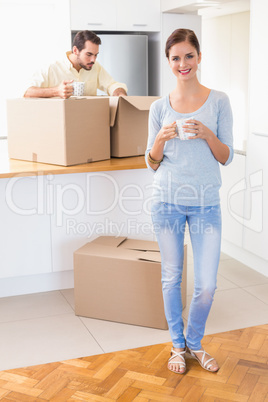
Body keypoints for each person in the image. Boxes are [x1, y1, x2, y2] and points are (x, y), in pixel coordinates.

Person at [145, 29, 233, 374]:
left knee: (207, 284)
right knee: (171, 278)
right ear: (169, 62)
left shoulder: (219, 101)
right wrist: (161, 140)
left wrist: (207, 133)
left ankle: (195, 342)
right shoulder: (157, 107)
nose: (183, 64)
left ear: (198, 57)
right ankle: (178, 346)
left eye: (189, 56)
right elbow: (151, 163)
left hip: (206, 203)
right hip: (166, 200)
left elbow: (225, 157)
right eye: (176, 58)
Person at [24, 30, 127, 98]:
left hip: (88, 123)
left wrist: (120, 93)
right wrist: (56, 91)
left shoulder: (94, 67)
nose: (93, 60)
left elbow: (112, 85)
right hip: (59, 124)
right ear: (75, 50)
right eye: (89, 54)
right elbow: (27, 92)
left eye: (96, 55)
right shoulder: (52, 67)